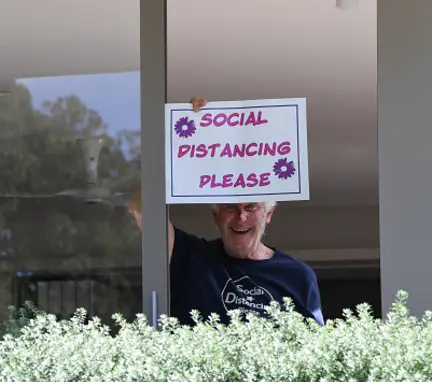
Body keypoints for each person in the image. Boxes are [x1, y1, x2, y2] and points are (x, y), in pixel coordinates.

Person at [128, 97, 324, 326]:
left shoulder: (297, 276)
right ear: (215, 215)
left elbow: (314, 351)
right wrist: (176, 136)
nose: (241, 216)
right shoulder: (191, 257)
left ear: (269, 215)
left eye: (251, 207)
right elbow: (142, 208)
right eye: (230, 207)